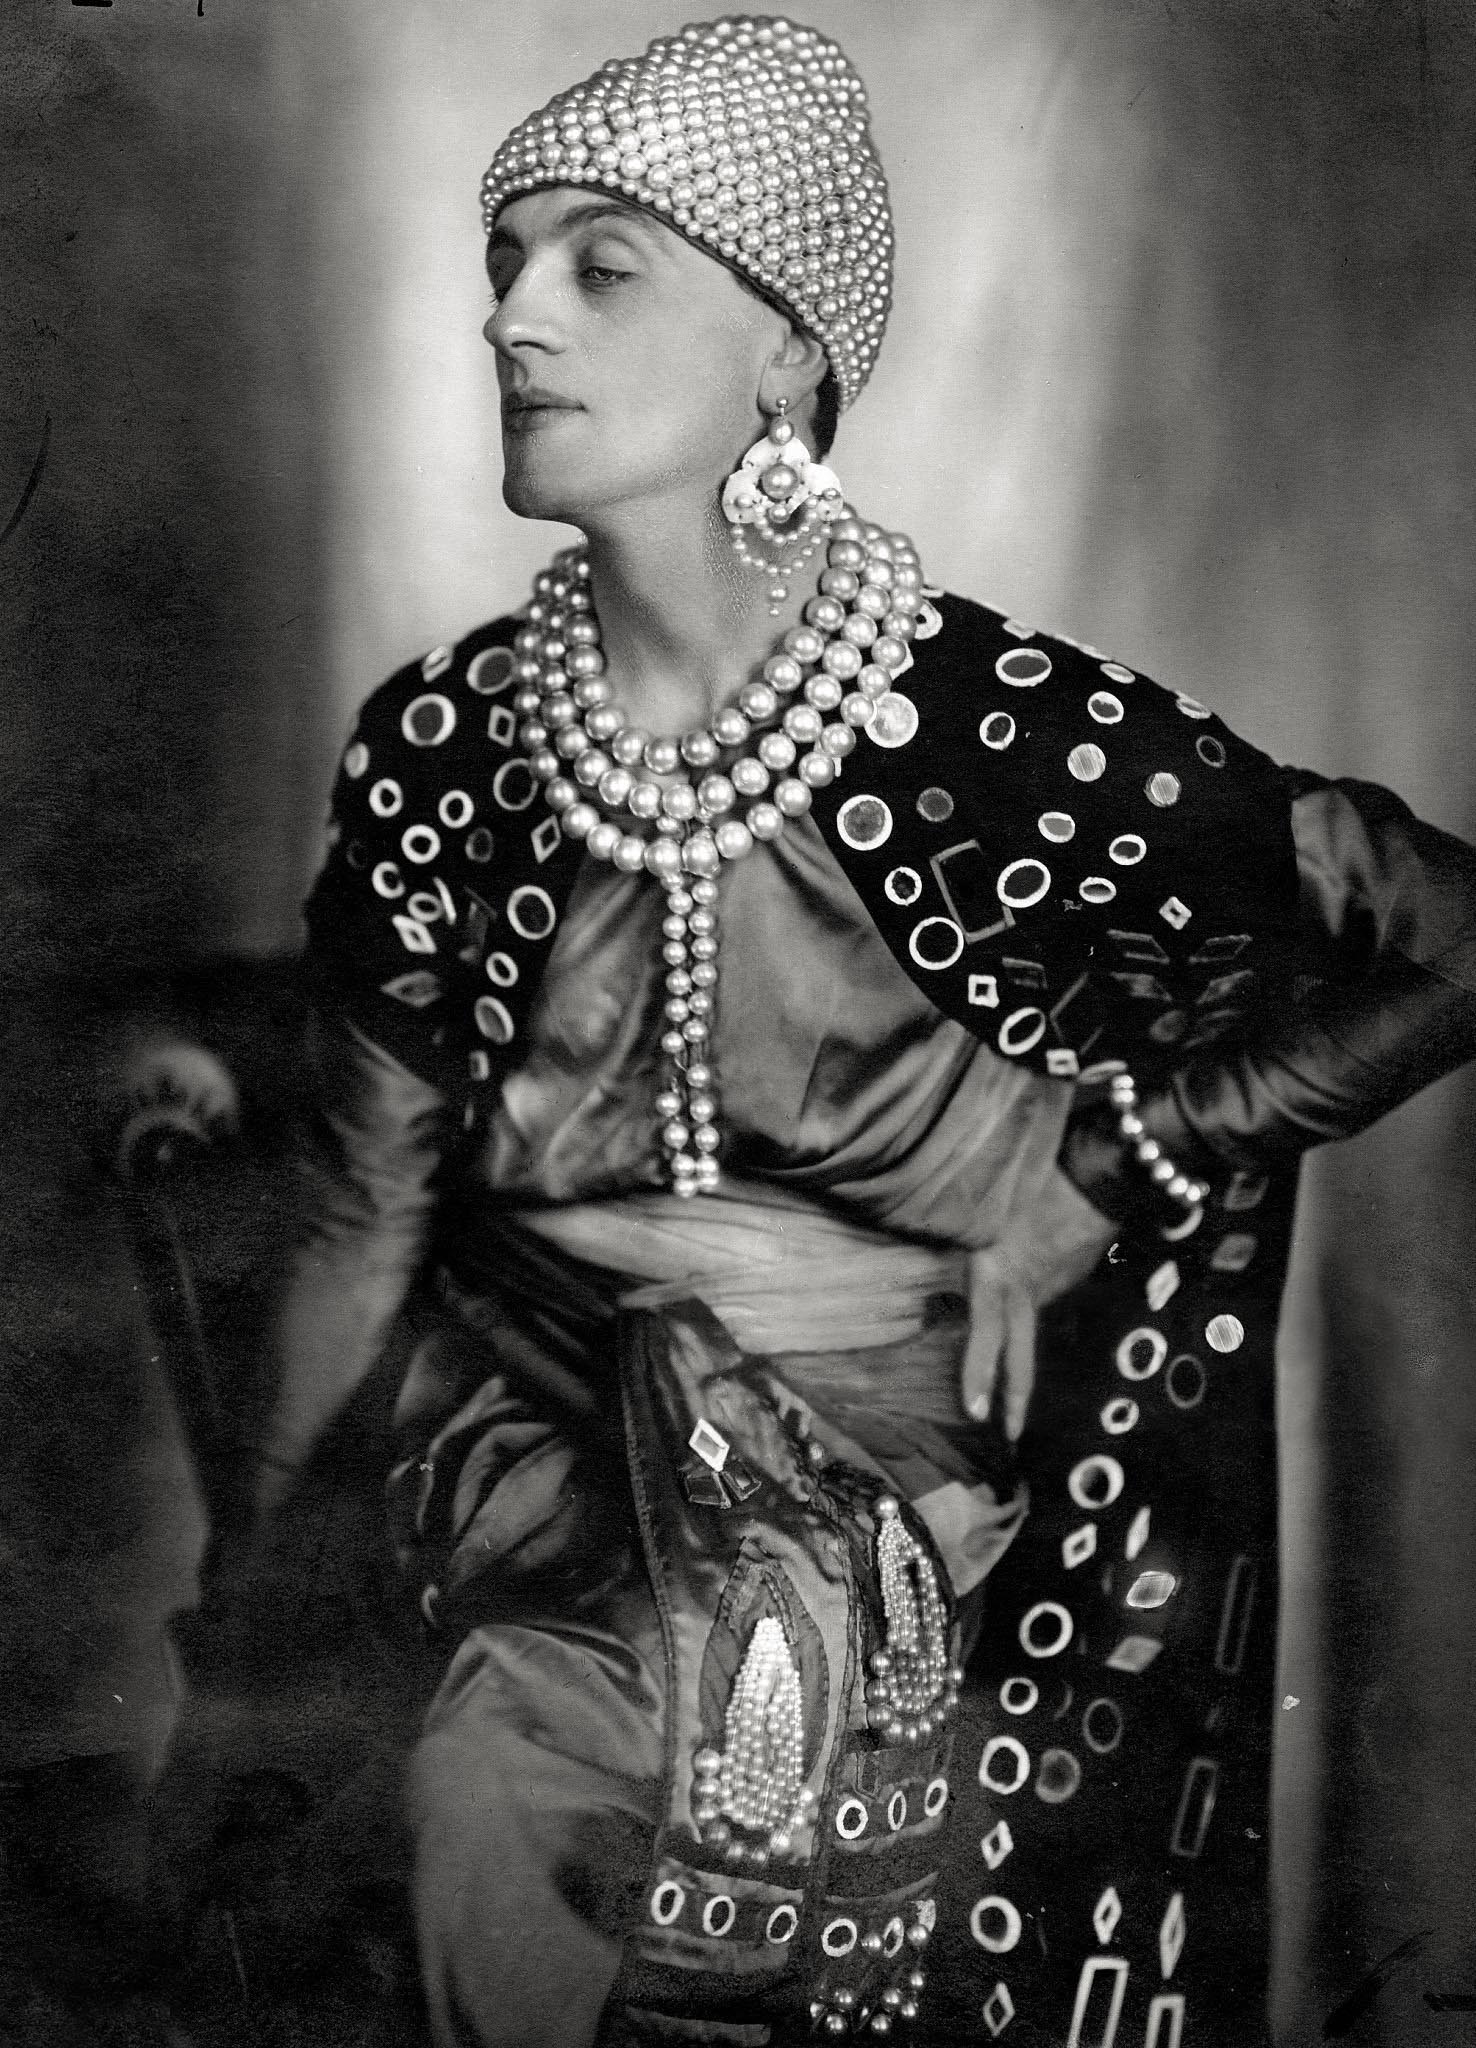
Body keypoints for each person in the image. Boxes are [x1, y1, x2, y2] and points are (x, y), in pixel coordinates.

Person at [195, 15, 1476, 2047]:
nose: (511, 315)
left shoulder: (995, 731)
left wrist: (1111, 1167)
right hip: (533, 1483)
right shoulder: (447, 746)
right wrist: (238, 1625)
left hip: (928, 1506)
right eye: (504, 260)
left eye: (599, 264)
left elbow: (1453, 945)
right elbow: (363, 1214)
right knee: (488, 1789)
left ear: (786, 354)